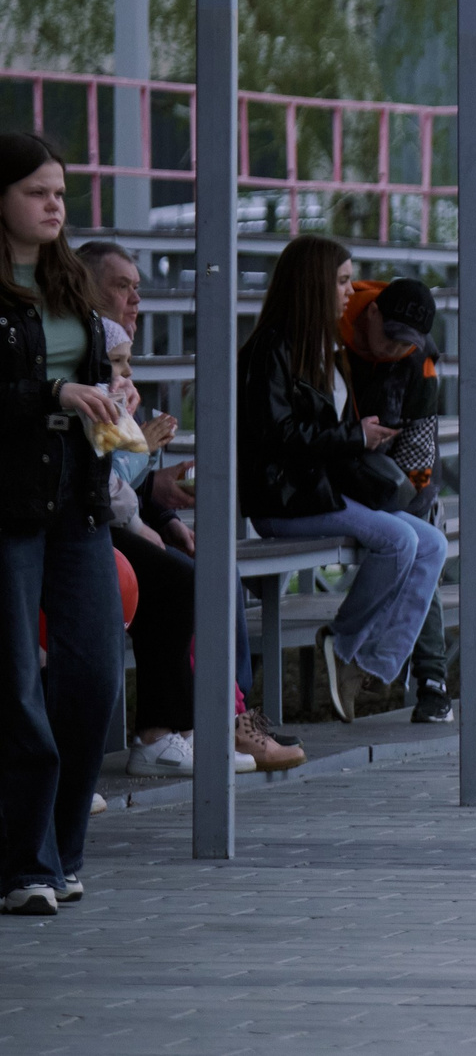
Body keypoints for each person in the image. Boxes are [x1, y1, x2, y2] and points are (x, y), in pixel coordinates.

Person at [77, 241, 294, 774]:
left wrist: (162, 505)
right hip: (82, 516)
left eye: (138, 288)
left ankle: (221, 717)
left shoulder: (109, 357)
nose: (135, 299)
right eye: (122, 286)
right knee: (178, 581)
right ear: (86, 287)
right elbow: (95, 467)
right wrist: (141, 457)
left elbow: (118, 471)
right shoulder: (81, 358)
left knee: (213, 564)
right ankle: (169, 732)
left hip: (113, 509)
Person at [242, 236, 450, 722]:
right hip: (285, 498)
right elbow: (278, 435)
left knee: (433, 544)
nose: (349, 290)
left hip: (319, 491)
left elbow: (415, 447)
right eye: (339, 280)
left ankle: (367, 663)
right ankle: (347, 642)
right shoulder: (273, 348)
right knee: (399, 540)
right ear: (313, 284)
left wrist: (355, 442)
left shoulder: (325, 347)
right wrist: (355, 437)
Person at [0, 134, 123, 915]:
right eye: (39, 191)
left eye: (62, 192)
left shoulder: (69, 279)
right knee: (17, 689)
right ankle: (26, 864)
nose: (55, 205)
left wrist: (116, 397)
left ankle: (63, 850)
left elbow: (90, 379)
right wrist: (52, 398)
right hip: (9, 505)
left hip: (78, 500)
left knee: (94, 679)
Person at [341, 277, 456, 723]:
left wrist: (400, 499)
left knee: (424, 534)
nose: (394, 349)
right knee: (415, 541)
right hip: (332, 471)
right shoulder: (333, 335)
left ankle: (429, 676)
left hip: (392, 477)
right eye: (389, 337)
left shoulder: (419, 362)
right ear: (371, 316)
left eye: (406, 342)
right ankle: (411, 669)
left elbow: (419, 456)